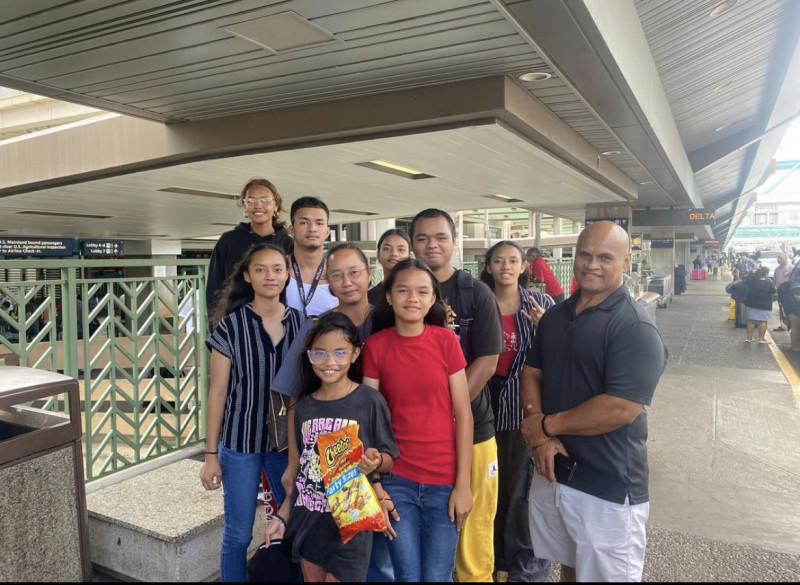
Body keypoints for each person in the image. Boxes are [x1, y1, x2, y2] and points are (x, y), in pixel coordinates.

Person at [520, 220, 668, 582]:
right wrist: (542, 438)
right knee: (569, 567)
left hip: (607, 487)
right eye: (584, 255)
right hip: (554, 470)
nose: (591, 264)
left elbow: (620, 407)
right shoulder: (555, 316)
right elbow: (531, 373)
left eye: (605, 257)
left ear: (626, 262)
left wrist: (545, 425)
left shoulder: (634, 327)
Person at [361, 258, 473, 582]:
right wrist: (377, 486)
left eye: (423, 291)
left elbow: (463, 414)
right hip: (397, 479)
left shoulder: (446, 342)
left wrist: (463, 484)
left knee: (437, 577)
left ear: (433, 299)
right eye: (404, 290)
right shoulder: (376, 346)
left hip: (444, 480)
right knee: (407, 577)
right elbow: (369, 417)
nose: (413, 298)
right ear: (389, 297)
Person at [200, 243, 306, 582]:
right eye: (260, 269)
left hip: (286, 446)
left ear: (288, 273)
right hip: (239, 442)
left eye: (277, 268)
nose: (270, 276)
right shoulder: (229, 327)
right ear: (247, 276)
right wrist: (211, 454)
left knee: (294, 524)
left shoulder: (304, 326)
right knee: (238, 534)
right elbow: (217, 393)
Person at [266, 312, 399, 582]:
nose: (329, 362)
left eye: (340, 352)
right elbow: (303, 474)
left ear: (355, 354)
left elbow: (389, 456)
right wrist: (281, 517)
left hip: (351, 524)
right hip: (308, 523)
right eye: (319, 353)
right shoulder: (303, 407)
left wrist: (375, 462)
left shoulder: (369, 401)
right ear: (309, 356)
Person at [410, 209, 502, 583]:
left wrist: (451, 412)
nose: (432, 245)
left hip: (474, 430)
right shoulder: (400, 290)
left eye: (440, 237)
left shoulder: (476, 293)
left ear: (453, 241)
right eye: (422, 238)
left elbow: (488, 360)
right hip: (418, 440)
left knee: (475, 525)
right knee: (428, 528)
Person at [479, 241, 554, 582]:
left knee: (521, 490)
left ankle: (523, 564)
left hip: (522, 411)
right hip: (483, 409)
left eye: (513, 260)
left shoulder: (543, 304)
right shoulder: (479, 304)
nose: (506, 266)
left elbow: (559, 357)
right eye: (499, 260)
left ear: (524, 266)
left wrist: (546, 329)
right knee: (488, 486)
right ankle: (491, 559)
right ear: (489, 266)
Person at [205, 178, 293, 314]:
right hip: (234, 321)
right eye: (251, 201)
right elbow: (214, 286)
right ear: (245, 207)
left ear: (276, 205)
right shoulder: (229, 240)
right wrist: (217, 326)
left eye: (265, 200)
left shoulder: (288, 243)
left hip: (278, 321)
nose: (258, 206)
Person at [286, 196, 339, 318]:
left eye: (319, 223)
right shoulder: (275, 271)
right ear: (292, 230)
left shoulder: (339, 274)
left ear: (327, 231)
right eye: (304, 222)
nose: (312, 229)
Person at [367, 229, 411, 305]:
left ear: (409, 257)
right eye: (386, 249)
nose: (394, 254)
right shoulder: (369, 297)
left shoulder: (418, 291)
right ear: (378, 255)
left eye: (401, 250)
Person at [743, 266, 776, 344]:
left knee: (751, 321)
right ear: (766, 274)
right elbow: (774, 294)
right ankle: (761, 338)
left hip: (751, 303)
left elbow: (745, 283)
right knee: (763, 321)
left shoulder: (751, 280)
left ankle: (749, 338)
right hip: (765, 305)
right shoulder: (769, 282)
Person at [773, 251, 794, 332]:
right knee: (781, 309)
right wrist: (775, 291)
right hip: (780, 292)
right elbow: (774, 281)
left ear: (786, 258)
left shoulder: (791, 268)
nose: (779, 260)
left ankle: (791, 325)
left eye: (781, 258)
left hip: (789, 293)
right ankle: (783, 325)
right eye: (778, 258)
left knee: (789, 310)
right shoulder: (777, 269)